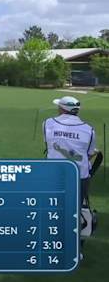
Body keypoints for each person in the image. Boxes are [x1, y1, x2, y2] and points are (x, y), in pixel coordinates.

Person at [44, 96, 101, 260]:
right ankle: (74, 249)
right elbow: (88, 154)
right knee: (74, 212)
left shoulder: (48, 123)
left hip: (54, 174)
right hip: (79, 177)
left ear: (62, 109)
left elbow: (50, 147)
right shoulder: (89, 130)